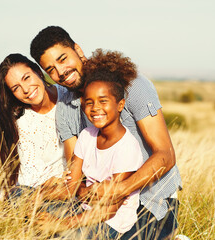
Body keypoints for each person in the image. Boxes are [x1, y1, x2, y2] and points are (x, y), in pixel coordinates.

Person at [30, 26, 182, 239]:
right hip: (95, 201)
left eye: (63, 59)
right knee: (35, 219)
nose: (60, 72)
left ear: (77, 50)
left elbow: (166, 154)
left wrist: (119, 190)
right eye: (51, 69)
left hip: (150, 199)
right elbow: (76, 174)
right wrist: (83, 193)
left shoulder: (133, 85)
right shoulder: (66, 107)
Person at [0, 53, 68, 200]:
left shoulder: (68, 97)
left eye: (27, 78)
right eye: (16, 88)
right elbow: (28, 175)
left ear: (38, 72)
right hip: (28, 193)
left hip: (67, 189)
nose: (26, 90)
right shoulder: (20, 119)